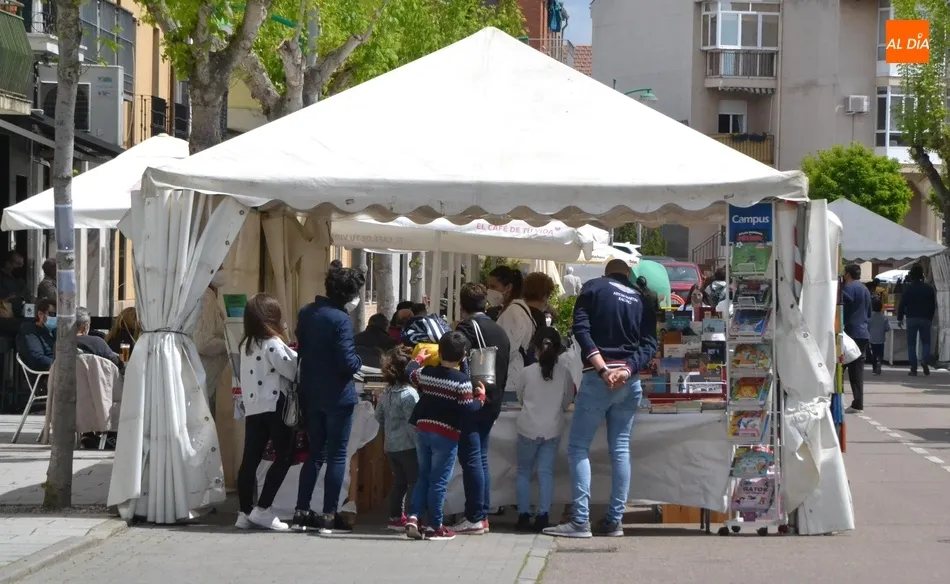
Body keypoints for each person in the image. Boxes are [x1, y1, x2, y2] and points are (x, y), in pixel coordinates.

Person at [544, 259, 657, 539]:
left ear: (606, 273)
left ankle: (580, 520)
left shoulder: (593, 288)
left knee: (578, 448)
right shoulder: (641, 298)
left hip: (597, 378)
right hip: (628, 382)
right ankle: (615, 520)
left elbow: (581, 330)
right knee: (620, 449)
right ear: (628, 274)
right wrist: (627, 369)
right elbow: (649, 344)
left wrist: (602, 367)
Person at [293, 264, 365, 533]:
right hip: (338, 395)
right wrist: (359, 361)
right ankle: (328, 514)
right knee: (336, 455)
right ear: (348, 294)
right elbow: (347, 362)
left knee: (315, 454)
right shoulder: (340, 319)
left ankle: (301, 511)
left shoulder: (307, 312)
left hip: (310, 392)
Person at [404, 332, 486, 542]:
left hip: (423, 429)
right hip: (446, 434)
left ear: (438, 352)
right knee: (439, 480)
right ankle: (434, 526)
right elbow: (468, 410)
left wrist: (418, 358)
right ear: (464, 356)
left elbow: (410, 372)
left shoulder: (427, 373)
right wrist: (481, 398)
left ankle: (413, 517)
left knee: (423, 475)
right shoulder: (462, 382)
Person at [450, 283, 511, 535]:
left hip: (472, 399)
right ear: (485, 303)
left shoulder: (466, 328)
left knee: (472, 459)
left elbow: (453, 359)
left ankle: (475, 515)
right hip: (493, 401)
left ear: (462, 305)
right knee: (481, 459)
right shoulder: (499, 330)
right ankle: (481, 514)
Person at [235, 294, 299, 531]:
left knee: (250, 459)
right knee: (285, 454)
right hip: (275, 405)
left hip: (254, 407)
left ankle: (244, 510)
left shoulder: (246, 345)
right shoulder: (272, 343)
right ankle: (263, 508)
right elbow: (291, 369)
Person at [510, 327, 574, 533]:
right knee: (545, 473)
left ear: (535, 348)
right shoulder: (565, 373)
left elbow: (520, 397)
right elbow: (567, 402)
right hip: (552, 428)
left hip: (527, 427)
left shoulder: (527, 372)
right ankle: (543, 515)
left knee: (523, 472)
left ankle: (522, 515)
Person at [373, 346, 420, 531]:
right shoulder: (410, 394)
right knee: (415, 481)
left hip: (391, 445)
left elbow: (378, 418)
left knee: (399, 482)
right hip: (409, 446)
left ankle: (394, 516)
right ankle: (412, 516)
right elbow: (413, 424)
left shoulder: (387, 393)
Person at [497, 272, 552, 396]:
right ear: (544, 295)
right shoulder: (524, 314)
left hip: (513, 378)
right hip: (514, 379)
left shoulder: (515, 310)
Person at [193, 268, 229, 414]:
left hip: (201, 377)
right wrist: (228, 343)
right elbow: (203, 343)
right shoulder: (206, 296)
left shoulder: (199, 293)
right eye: (219, 266)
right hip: (205, 376)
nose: (223, 270)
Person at [897, 263, 937, 376]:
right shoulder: (929, 289)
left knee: (911, 344)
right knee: (926, 342)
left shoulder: (908, 288)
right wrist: (930, 317)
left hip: (911, 318)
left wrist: (900, 318)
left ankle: (913, 368)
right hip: (925, 318)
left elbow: (902, 304)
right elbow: (933, 305)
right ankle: (924, 360)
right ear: (922, 274)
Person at [842, 264, 872, 413]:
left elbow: (843, 307)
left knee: (839, 367)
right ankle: (858, 403)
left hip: (850, 332)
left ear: (847, 274)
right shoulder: (865, 289)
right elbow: (870, 311)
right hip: (863, 332)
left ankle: (836, 398)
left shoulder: (849, 288)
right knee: (857, 370)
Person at [75, 307, 123, 372]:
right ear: (86, 327)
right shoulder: (96, 342)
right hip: (97, 381)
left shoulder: (60, 344)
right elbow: (117, 364)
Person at [16, 298, 56, 372]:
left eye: (57, 315)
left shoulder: (54, 331)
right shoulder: (30, 332)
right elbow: (37, 358)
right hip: (45, 374)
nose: (55, 318)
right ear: (40, 314)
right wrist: (59, 365)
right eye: (52, 314)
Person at [0, 250, 29, 315]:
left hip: (22, 316)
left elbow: (27, 296)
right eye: (18, 264)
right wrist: (7, 298)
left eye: (22, 264)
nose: (21, 267)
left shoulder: (20, 280)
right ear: (8, 263)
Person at [868, 296, 890, 376]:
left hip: (872, 338)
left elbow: (867, 327)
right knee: (880, 353)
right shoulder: (884, 318)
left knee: (873, 353)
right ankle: (879, 362)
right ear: (881, 307)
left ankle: (874, 368)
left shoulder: (869, 317)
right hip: (881, 339)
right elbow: (887, 328)